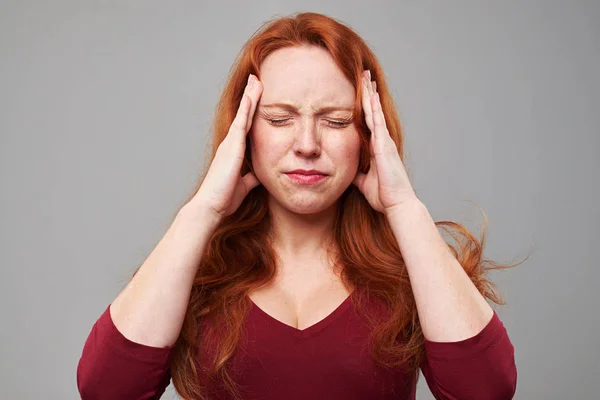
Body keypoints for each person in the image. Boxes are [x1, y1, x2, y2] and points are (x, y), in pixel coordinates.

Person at [77, 12, 521, 400]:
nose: (306, 145)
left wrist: (405, 208)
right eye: (279, 119)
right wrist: (202, 210)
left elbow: (484, 391)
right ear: (245, 131)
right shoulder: (195, 268)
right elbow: (106, 390)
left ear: (366, 134)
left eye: (335, 120)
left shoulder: (410, 270)